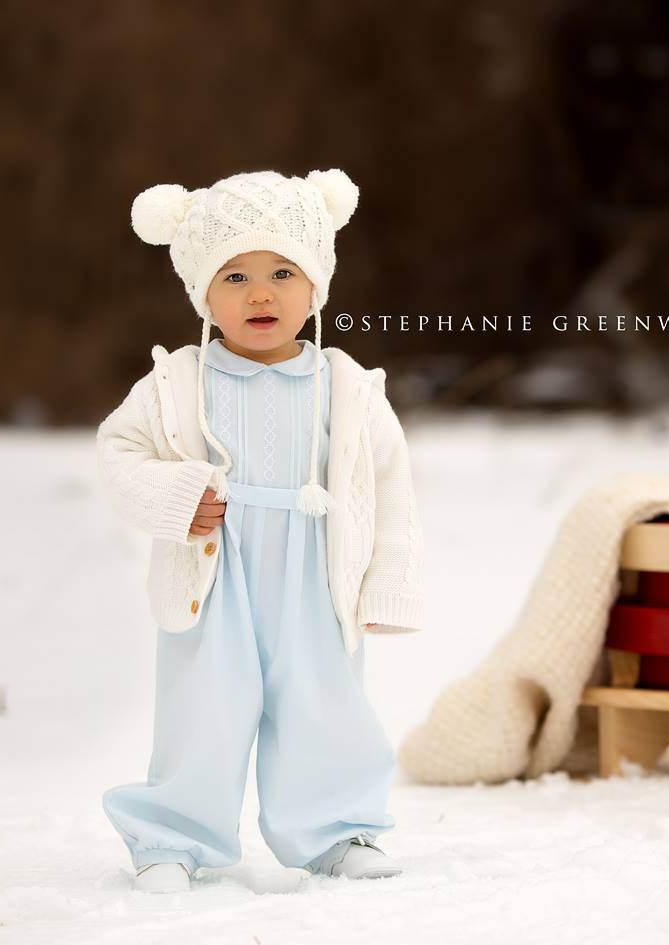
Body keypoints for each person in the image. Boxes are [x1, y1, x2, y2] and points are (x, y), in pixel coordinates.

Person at [96, 169, 424, 893]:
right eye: (235, 275)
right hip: (218, 575)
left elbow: (390, 484)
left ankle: (337, 832)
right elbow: (119, 453)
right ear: (202, 293)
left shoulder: (348, 386)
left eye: (283, 271)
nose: (261, 293)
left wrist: (387, 582)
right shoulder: (178, 382)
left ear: (317, 285)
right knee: (204, 706)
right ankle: (172, 838)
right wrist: (178, 497)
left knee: (324, 702)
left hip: (316, 571)